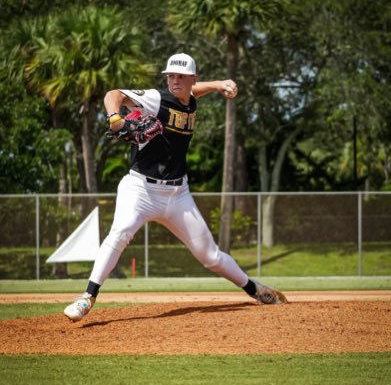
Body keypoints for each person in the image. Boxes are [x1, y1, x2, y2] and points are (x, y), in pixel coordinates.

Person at [64, 53, 288, 322]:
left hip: (178, 194)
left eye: (181, 76)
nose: (174, 80)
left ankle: (256, 290)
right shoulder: (156, 98)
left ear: (192, 78)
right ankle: (87, 298)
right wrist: (115, 117)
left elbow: (194, 93)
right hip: (140, 190)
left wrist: (218, 84)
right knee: (120, 232)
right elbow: (114, 94)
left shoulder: (190, 100)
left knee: (210, 256)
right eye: (171, 75)